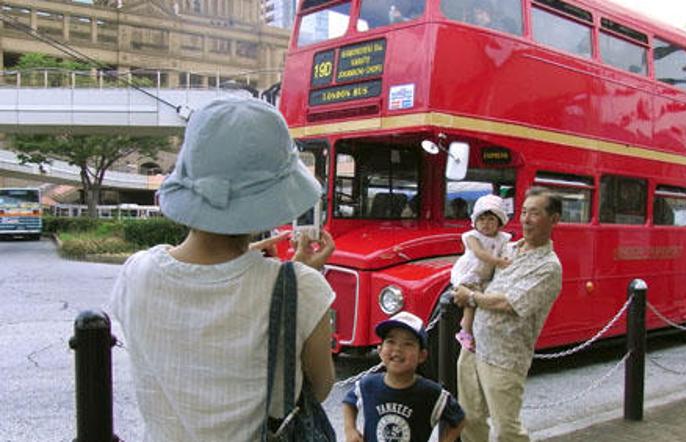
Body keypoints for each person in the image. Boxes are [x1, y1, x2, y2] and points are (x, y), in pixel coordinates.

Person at [110, 97, 336, 441]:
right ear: (274, 199)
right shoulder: (302, 286)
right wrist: (292, 279)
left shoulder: (136, 272)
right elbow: (318, 389)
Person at [452, 186, 563, 442]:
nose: (525, 219)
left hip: (504, 358)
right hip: (473, 348)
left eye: (534, 213)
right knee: (470, 419)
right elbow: (480, 273)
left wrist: (470, 297)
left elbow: (509, 303)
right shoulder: (508, 249)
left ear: (554, 219)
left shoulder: (549, 267)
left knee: (506, 429)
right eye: (523, 212)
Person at [342, 311, 466, 442]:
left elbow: (459, 418)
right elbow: (349, 402)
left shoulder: (430, 393)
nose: (398, 349)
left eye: (408, 344)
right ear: (380, 350)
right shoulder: (368, 384)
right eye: (391, 341)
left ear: (422, 356)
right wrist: (350, 430)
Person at [450, 194, 512, 352]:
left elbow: (506, 252)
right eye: (481, 219)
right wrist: (498, 262)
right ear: (475, 222)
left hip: (486, 276)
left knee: (485, 301)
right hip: (470, 273)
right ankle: (465, 330)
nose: (486, 223)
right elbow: (479, 253)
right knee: (471, 301)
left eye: (491, 219)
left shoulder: (502, 239)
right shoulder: (472, 237)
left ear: (499, 222)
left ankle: (476, 332)